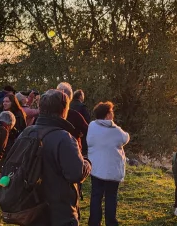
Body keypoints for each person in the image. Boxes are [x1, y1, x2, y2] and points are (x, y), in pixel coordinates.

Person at [31, 90, 92, 226]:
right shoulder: (64, 138)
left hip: (31, 208)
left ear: (40, 109)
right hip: (59, 212)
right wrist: (87, 163)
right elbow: (76, 174)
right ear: (64, 110)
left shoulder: (28, 132)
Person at [87, 101, 130, 226]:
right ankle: (111, 222)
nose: (113, 114)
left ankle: (94, 222)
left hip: (96, 168)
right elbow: (126, 138)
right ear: (107, 115)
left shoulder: (92, 126)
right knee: (111, 197)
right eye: (111, 112)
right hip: (112, 170)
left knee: (96, 196)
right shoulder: (115, 130)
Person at [56, 82, 89, 153]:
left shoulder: (47, 114)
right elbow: (88, 130)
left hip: (52, 154)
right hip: (72, 152)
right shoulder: (75, 115)